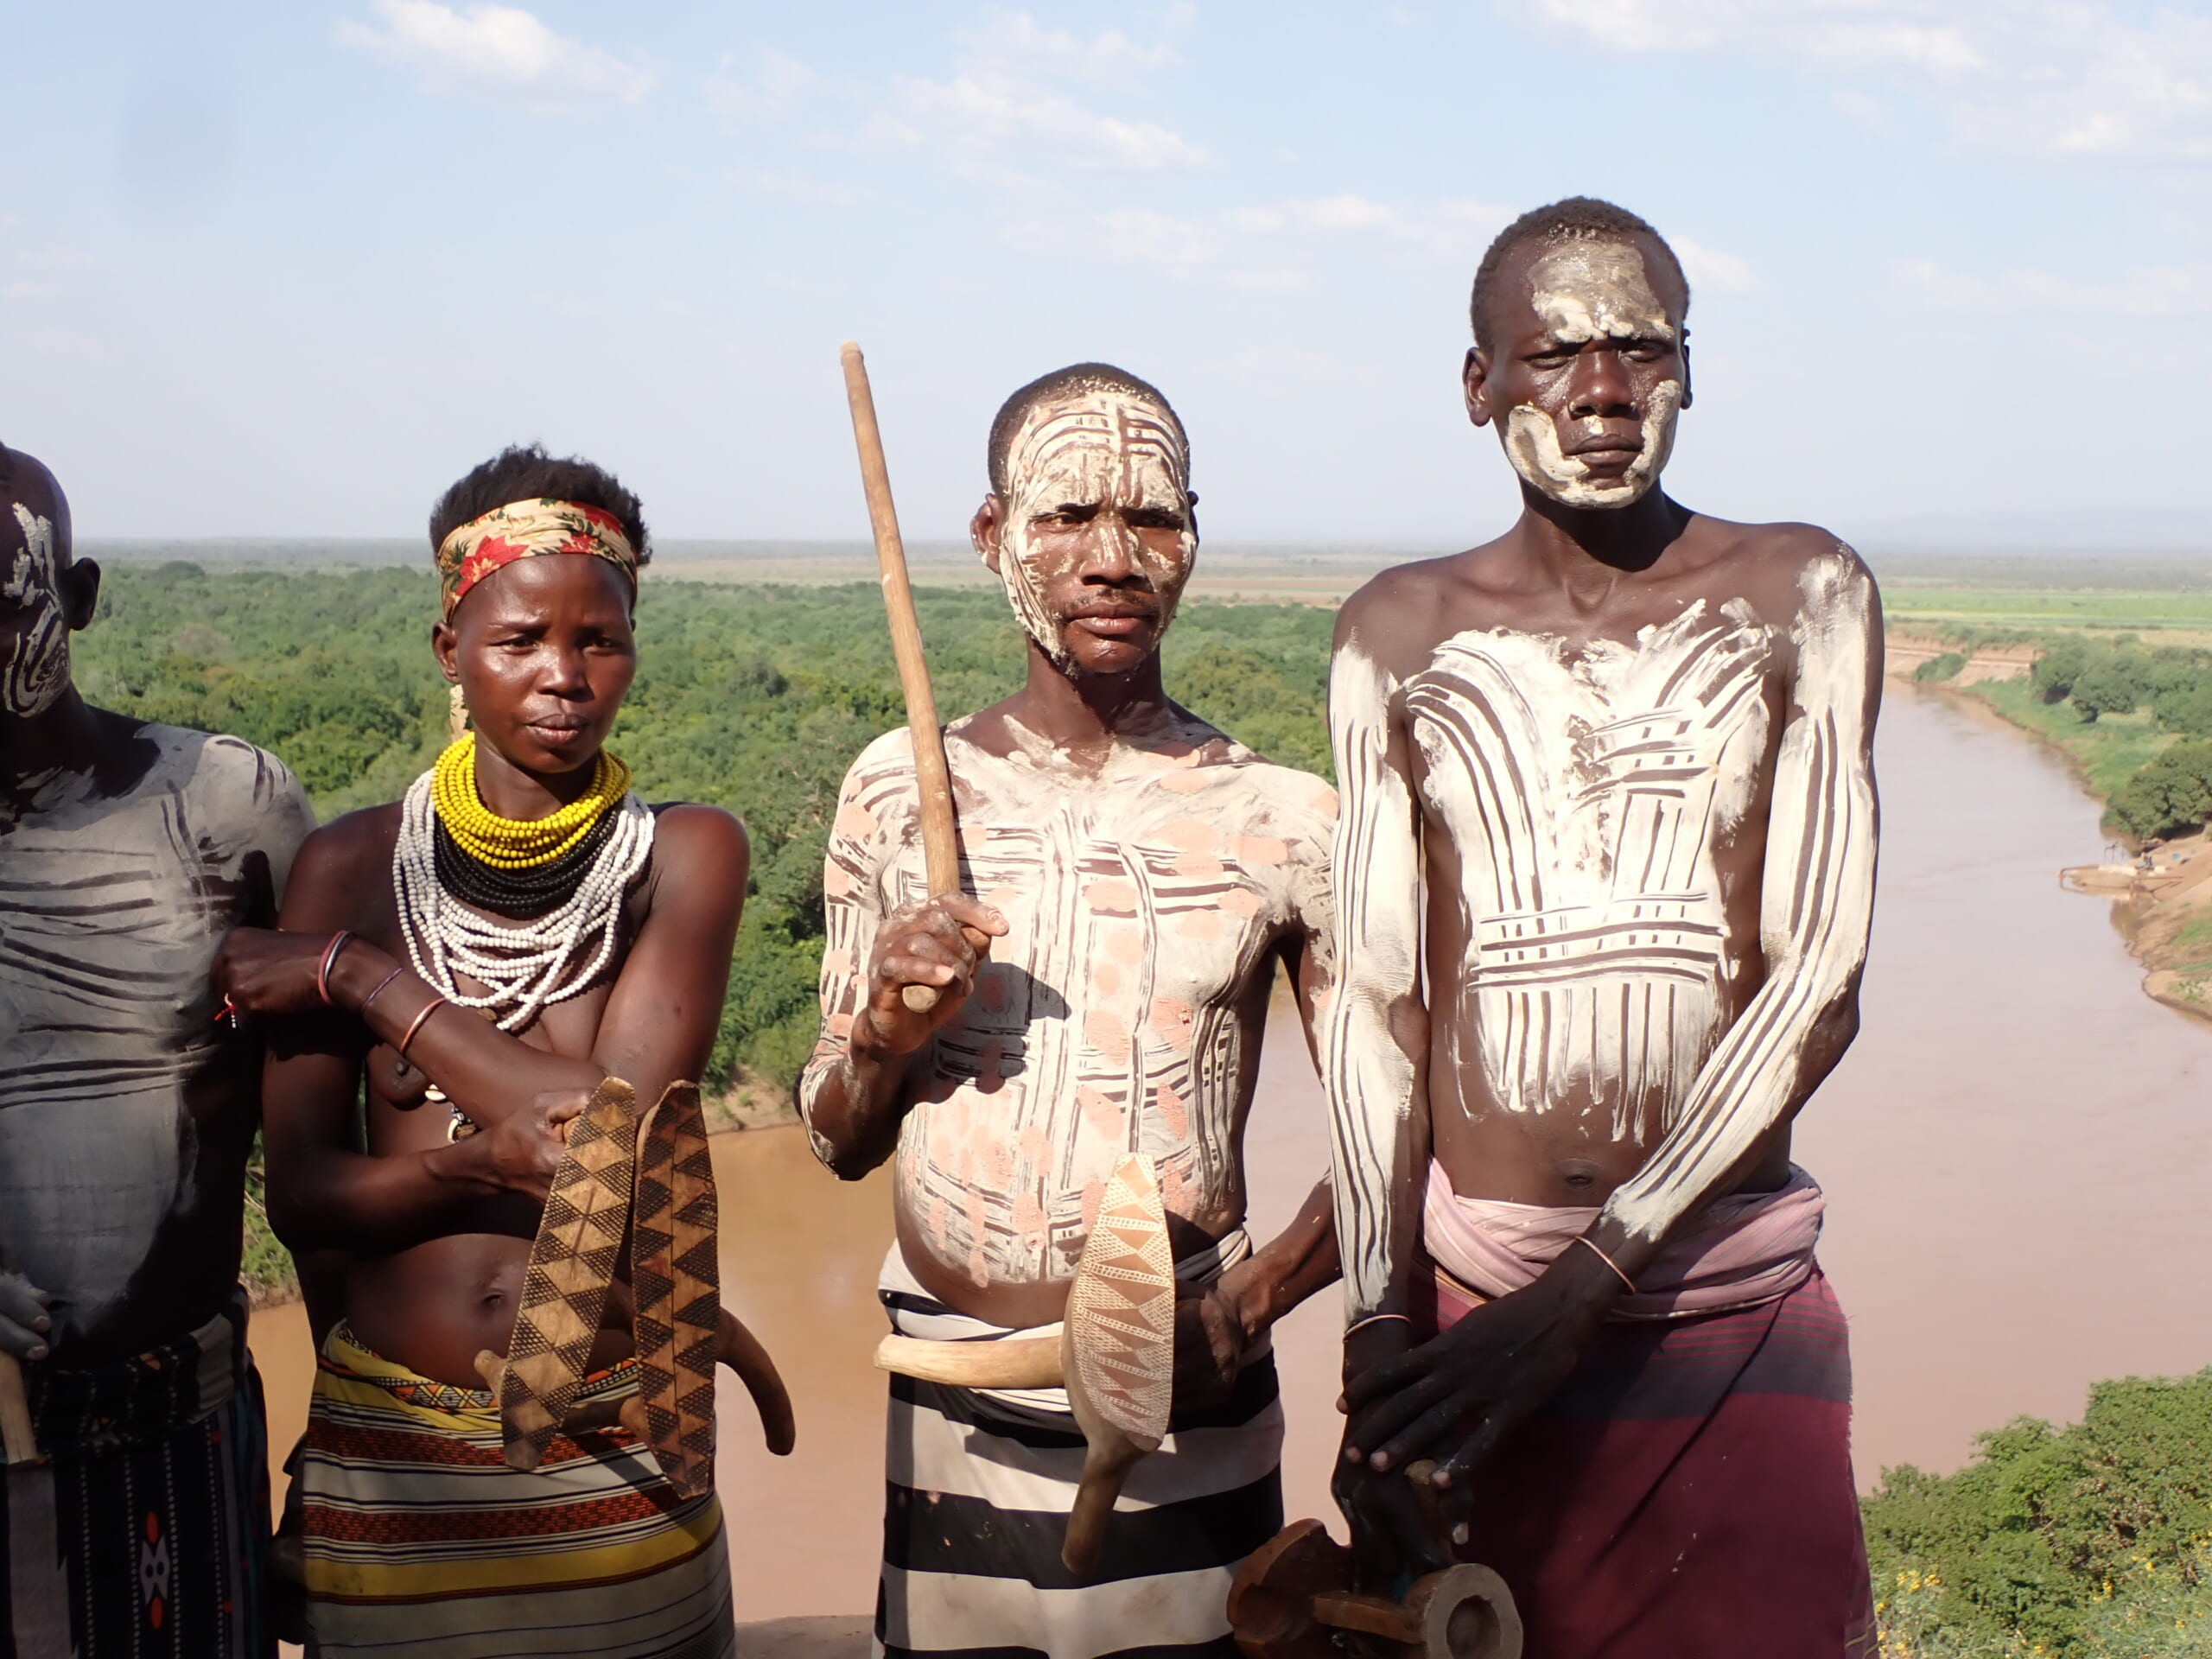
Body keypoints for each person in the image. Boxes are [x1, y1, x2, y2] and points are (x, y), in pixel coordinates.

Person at [1322, 198, 1880, 1656]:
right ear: (1478, 387)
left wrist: (1596, 1281)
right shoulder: (1397, 631)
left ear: (1689, 370)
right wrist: (1381, 1333)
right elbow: (1378, 999)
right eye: (1553, 354)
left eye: (1641, 348)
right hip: (1468, 1313)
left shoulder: (1800, 591)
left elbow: (1817, 978)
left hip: (1723, 1297)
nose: (1603, 392)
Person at [800, 364, 1342, 1659]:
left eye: (1152, 520)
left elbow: (1403, 1135)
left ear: (1194, 535)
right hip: (944, 1369)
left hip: (1185, 1378)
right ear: (993, 536)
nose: (1115, 559)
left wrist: (1255, 1304)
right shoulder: (895, 789)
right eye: (1067, 518)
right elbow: (834, 1135)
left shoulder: (1285, 821)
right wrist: (884, 1032)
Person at [221, 444, 789, 1659]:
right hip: (393, 1456)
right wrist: (467, 1170)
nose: (565, 677)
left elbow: (605, 1151)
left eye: (601, 642)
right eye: (521, 638)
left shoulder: (684, 857)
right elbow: (307, 1202)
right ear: (449, 652)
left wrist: (361, 979)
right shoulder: (348, 866)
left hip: (620, 1440)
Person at [0, 442, 314, 1657]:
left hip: (177, 1427)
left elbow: (316, 1127)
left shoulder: (222, 806)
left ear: (73, 603)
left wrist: (342, 1439)